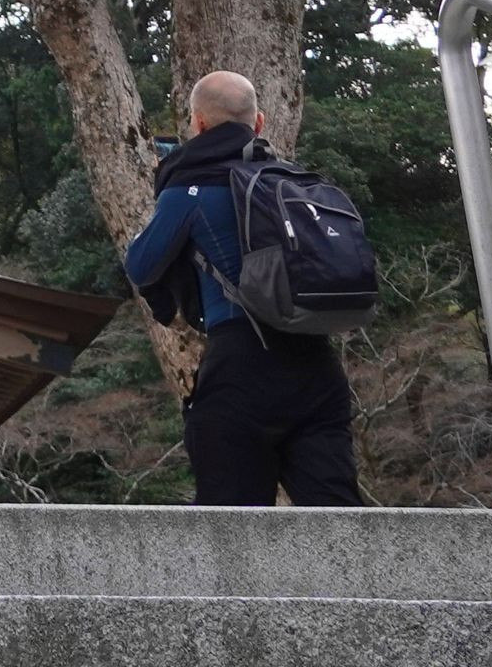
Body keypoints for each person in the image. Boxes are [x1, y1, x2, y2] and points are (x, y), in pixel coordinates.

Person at [125, 71, 361, 508]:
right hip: (317, 366)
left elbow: (141, 266)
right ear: (259, 122)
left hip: (241, 367)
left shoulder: (190, 189)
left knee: (232, 522)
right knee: (338, 518)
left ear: (198, 123)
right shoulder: (293, 183)